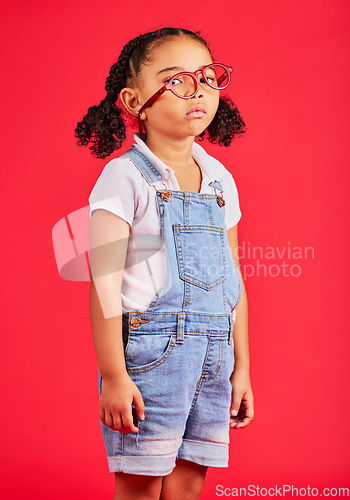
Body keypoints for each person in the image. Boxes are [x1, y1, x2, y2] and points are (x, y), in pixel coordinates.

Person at [75, 26, 254, 500]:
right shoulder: (124, 176)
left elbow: (232, 282)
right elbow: (104, 283)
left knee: (189, 483)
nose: (198, 91)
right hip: (153, 356)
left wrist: (242, 369)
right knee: (140, 484)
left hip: (214, 359)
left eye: (207, 77)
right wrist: (113, 376)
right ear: (135, 101)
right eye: (176, 80)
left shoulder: (221, 181)